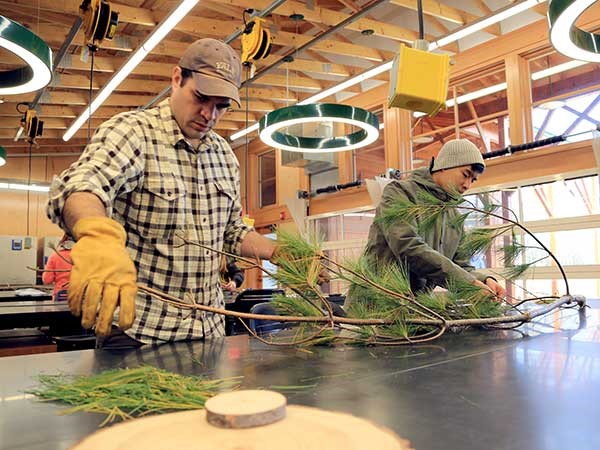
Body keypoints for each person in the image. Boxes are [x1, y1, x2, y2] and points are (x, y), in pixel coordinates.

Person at [46, 38, 277, 346]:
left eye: (220, 106)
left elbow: (232, 231)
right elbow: (83, 185)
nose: (209, 114)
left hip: (207, 332)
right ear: (177, 78)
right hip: (137, 332)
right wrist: (96, 234)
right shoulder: (133, 132)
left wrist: (279, 251)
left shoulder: (225, 157)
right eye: (201, 97)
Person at [363, 138, 506, 298]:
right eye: (465, 174)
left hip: (416, 308)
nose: (467, 185)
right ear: (444, 165)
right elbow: (408, 246)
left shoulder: (454, 217)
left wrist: (484, 280)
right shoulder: (400, 193)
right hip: (376, 302)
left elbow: (461, 265)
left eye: (473, 180)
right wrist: (467, 283)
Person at [41, 235, 74, 301]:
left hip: (61, 296)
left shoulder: (55, 256)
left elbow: (47, 280)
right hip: (80, 296)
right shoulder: (85, 257)